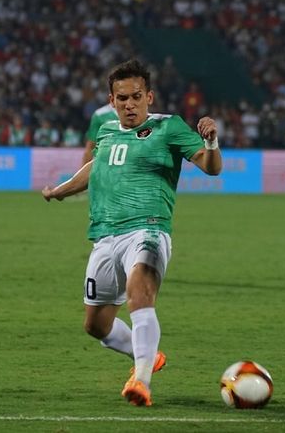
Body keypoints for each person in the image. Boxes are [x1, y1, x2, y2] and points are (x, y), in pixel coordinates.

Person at [41, 59, 222, 406]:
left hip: (148, 229)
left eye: (136, 96)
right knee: (96, 325)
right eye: (122, 98)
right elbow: (96, 166)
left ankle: (141, 380)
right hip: (105, 235)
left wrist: (211, 143)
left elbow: (210, 168)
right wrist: (61, 190)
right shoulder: (107, 131)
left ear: (148, 97)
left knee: (140, 291)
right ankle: (147, 354)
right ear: (112, 101)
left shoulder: (168, 127)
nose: (129, 104)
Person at [80, 102, 117, 168]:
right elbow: (91, 146)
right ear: (111, 98)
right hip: (106, 166)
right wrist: (83, 171)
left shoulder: (137, 113)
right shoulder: (100, 115)